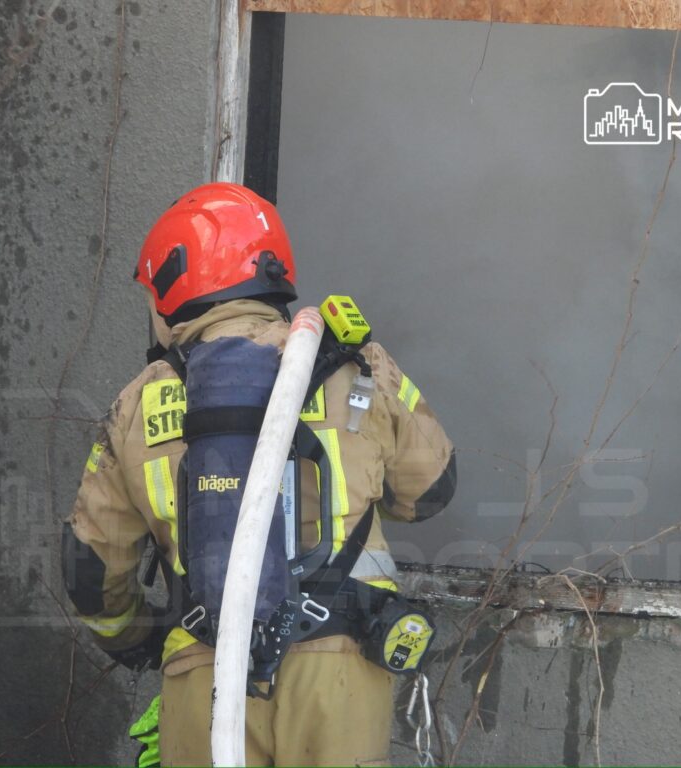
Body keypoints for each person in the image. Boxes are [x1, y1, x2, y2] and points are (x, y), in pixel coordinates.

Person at [62, 182, 456, 766]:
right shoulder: (356, 364)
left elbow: (90, 573)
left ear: (176, 281)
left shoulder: (138, 405)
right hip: (341, 676)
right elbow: (430, 492)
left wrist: (142, 641)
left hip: (206, 671)